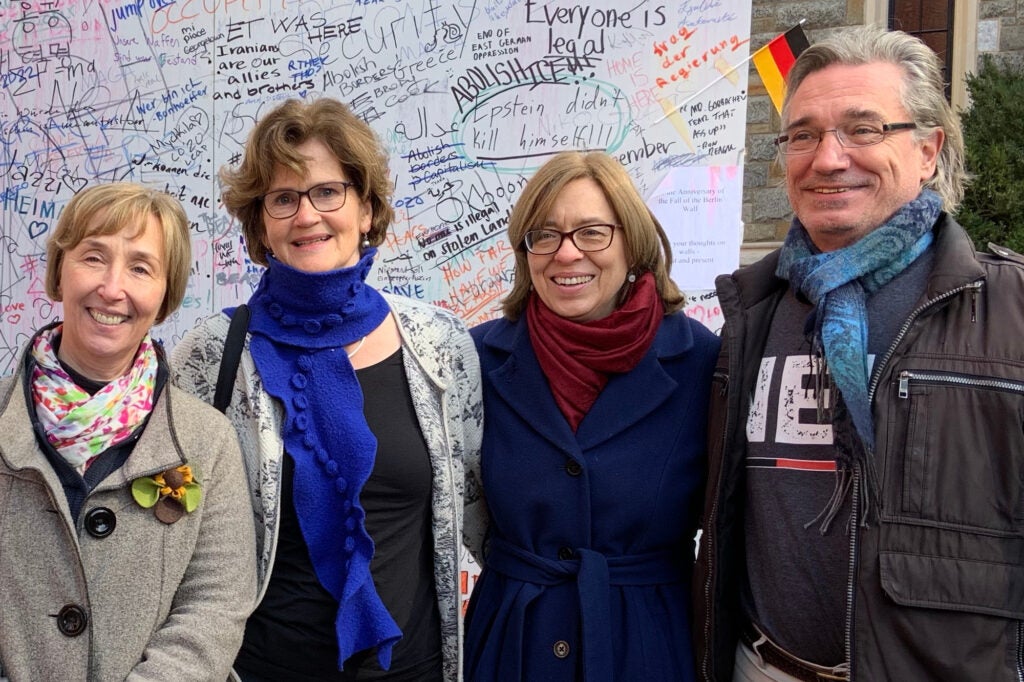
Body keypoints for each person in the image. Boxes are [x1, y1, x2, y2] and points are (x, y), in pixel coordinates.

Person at [695, 24, 1024, 682]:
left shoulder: (1009, 313)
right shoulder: (751, 312)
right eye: (803, 135)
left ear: (928, 149)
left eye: (863, 128)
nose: (827, 158)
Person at [171, 97, 483, 681]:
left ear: (366, 209)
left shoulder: (438, 343)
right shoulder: (213, 354)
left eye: (327, 192)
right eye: (283, 199)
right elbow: (173, 519)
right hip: (262, 669)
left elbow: (480, 506)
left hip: (413, 668)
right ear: (260, 223)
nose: (307, 215)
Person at [463, 150, 720, 681]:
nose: (566, 253)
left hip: (646, 643)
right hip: (512, 640)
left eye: (592, 233)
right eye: (546, 235)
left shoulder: (702, 361)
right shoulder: (479, 358)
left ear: (633, 242)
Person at [0, 182, 256, 680]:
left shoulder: (207, 441)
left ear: (164, 297)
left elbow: (214, 606)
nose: (112, 287)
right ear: (58, 273)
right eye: (93, 258)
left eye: (140, 267)